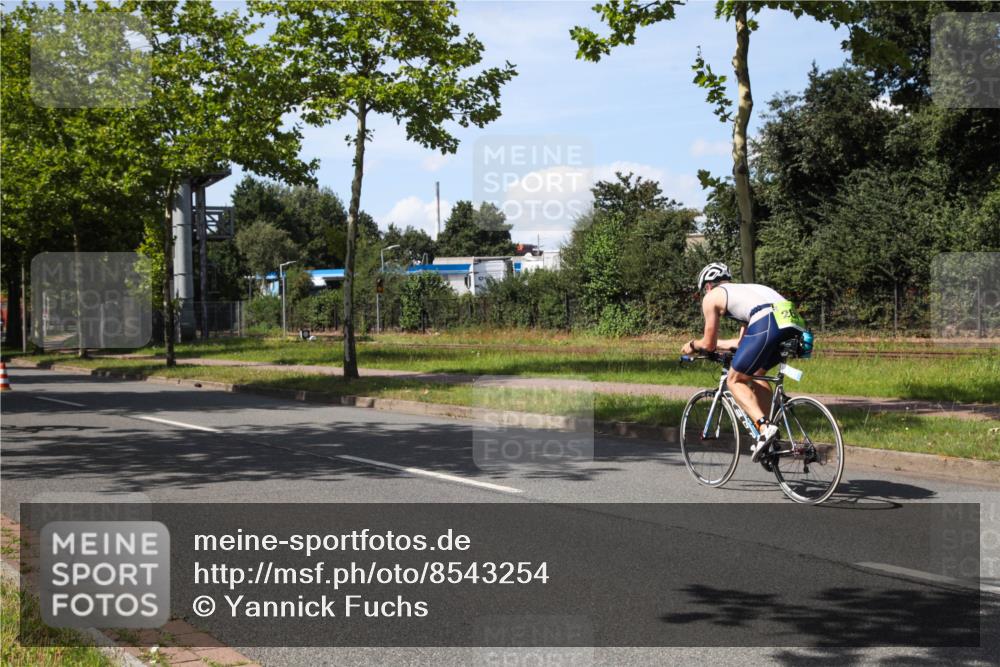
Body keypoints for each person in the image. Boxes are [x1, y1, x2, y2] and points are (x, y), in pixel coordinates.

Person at [681, 262, 807, 462]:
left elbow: (708, 344)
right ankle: (769, 433)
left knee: (734, 380)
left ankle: (765, 428)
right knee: (756, 372)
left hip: (767, 320)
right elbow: (742, 344)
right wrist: (719, 345)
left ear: (707, 286)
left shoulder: (711, 296)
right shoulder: (747, 291)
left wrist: (692, 345)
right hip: (794, 322)